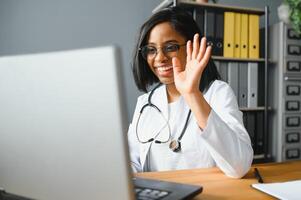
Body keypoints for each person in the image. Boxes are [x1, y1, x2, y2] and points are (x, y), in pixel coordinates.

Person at [128, 7, 253, 178]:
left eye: (170, 47)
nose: (159, 58)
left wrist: (192, 94)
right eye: (151, 49)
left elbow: (239, 166)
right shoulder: (145, 103)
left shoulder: (217, 92)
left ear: (192, 47)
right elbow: (131, 162)